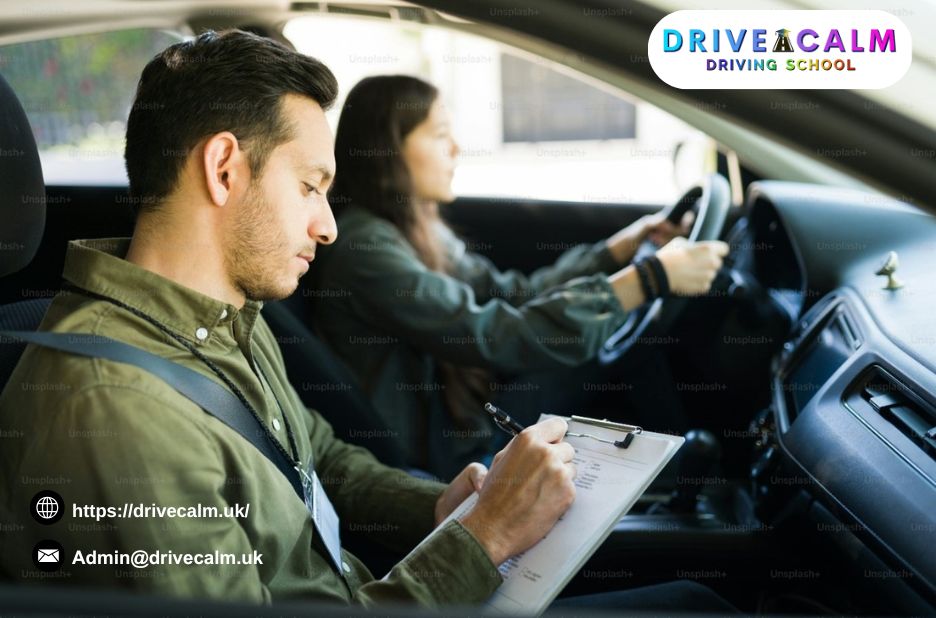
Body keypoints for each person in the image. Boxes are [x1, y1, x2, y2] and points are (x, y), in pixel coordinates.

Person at [0, 30, 735, 613]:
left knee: (695, 599)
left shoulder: (226, 319)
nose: (327, 226)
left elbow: (316, 457)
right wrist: (482, 538)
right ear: (224, 169)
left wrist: (442, 505)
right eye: (310, 186)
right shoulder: (112, 407)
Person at [310, 75, 729, 479]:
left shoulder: (418, 229)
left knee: (601, 351)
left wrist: (617, 251)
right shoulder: (367, 250)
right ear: (387, 149)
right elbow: (495, 335)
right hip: (441, 457)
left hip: (464, 422)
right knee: (601, 356)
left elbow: (515, 295)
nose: (456, 148)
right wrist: (646, 280)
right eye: (440, 135)